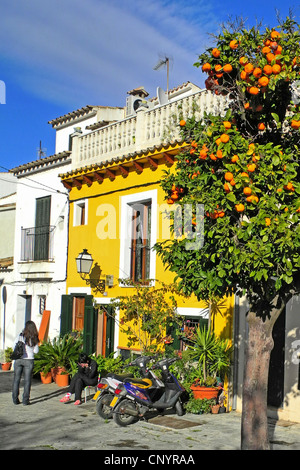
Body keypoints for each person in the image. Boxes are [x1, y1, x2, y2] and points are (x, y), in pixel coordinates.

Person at [12, 320, 39, 405]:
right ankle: (25, 400)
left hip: (19, 359)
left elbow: (14, 346)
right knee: (27, 381)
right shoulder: (33, 337)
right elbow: (36, 351)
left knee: (16, 380)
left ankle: (15, 399)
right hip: (29, 360)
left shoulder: (20, 336)